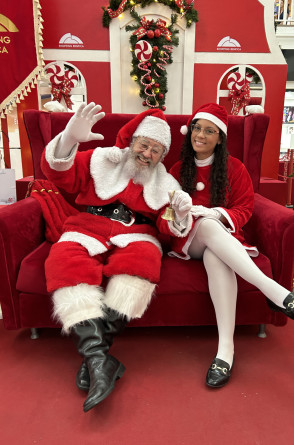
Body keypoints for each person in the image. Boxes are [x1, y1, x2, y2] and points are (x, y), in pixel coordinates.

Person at [41, 102, 181, 412]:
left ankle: (96, 360)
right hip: (87, 225)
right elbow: (59, 174)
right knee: (64, 260)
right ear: (133, 141)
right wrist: (67, 139)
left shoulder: (167, 184)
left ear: (162, 157)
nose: (147, 154)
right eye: (144, 145)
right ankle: (100, 360)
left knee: (143, 263)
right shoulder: (102, 159)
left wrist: (179, 215)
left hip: (137, 233)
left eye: (156, 151)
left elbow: (168, 227)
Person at [166, 103, 294, 388]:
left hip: (222, 242)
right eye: (197, 128)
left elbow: (245, 209)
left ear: (220, 137)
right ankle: (273, 290)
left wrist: (215, 213)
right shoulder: (177, 169)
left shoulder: (234, 168)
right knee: (208, 226)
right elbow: (167, 213)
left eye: (209, 131)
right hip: (187, 239)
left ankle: (226, 351)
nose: (200, 135)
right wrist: (184, 218)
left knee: (215, 255)